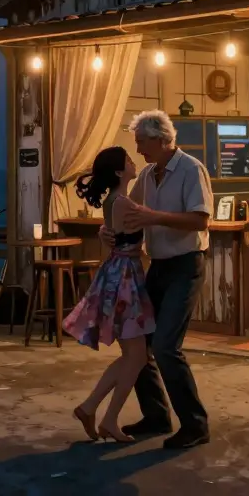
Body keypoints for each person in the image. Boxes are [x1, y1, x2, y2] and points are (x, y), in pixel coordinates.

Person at [99, 110, 212, 449]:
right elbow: (129, 214)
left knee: (165, 346)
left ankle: (195, 424)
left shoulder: (192, 169)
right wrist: (107, 232)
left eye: (142, 142)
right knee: (139, 345)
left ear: (162, 140)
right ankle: (157, 415)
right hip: (159, 266)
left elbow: (200, 220)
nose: (138, 149)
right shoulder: (147, 174)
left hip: (186, 264)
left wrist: (154, 216)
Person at [63, 146, 156, 443]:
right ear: (119, 171)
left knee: (134, 355)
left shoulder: (116, 201)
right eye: (128, 160)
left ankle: (92, 409)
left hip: (120, 273)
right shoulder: (123, 203)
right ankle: (108, 418)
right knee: (136, 355)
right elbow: (154, 219)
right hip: (126, 277)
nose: (133, 162)